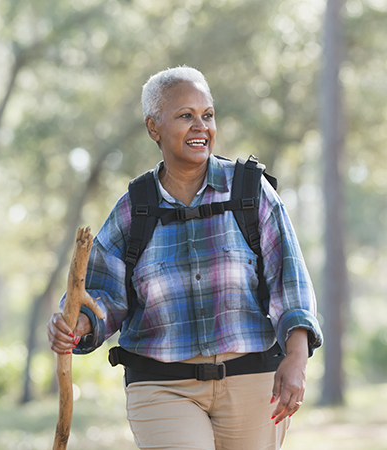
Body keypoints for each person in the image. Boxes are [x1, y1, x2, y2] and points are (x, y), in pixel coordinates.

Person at [47, 66, 322, 450]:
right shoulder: (134, 209)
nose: (200, 126)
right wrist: (75, 324)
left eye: (207, 115)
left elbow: (288, 280)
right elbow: (101, 297)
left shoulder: (250, 192)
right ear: (153, 127)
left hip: (252, 379)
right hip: (162, 386)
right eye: (185, 116)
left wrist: (296, 359)